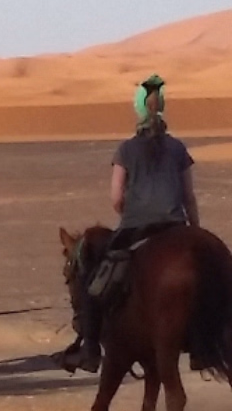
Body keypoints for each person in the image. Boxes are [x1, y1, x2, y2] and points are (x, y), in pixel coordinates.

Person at [67, 75, 199, 372]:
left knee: (92, 281)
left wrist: (134, 210)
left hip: (136, 228)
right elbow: (189, 197)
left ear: (138, 109)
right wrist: (195, 230)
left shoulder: (125, 150)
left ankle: (90, 348)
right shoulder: (178, 149)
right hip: (177, 225)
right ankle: (203, 345)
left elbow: (115, 199)